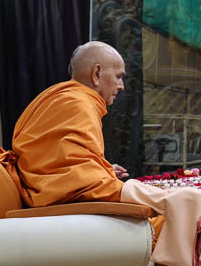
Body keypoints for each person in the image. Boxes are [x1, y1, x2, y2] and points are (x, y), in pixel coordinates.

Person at [10, 41, 130, 206]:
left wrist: (104, 169)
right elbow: (77, 181)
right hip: (52, 203)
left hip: (46, 192)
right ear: (97, 74)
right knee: (156, 211)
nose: (121, 86)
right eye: (118, 77)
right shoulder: (79, 105)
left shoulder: (59, 96)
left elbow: (60, 164)